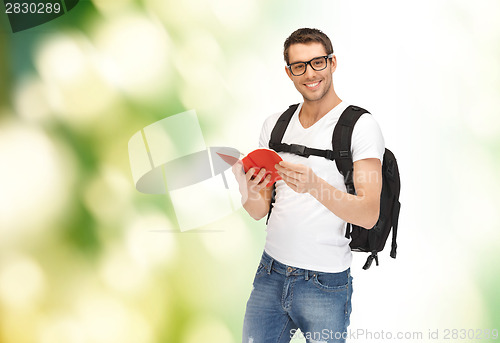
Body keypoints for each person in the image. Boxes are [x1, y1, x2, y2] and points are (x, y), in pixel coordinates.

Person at [233, 28, 385, 343]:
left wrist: (314, 185)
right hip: (269, 273)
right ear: (289, 72)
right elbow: (258, 211)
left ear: (332, 63)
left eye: (317, 62)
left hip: (325, 283)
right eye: (299, 66)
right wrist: (244, 185)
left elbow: (369, 213)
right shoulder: (274, 126)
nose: (310, 73)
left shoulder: (361, 127)